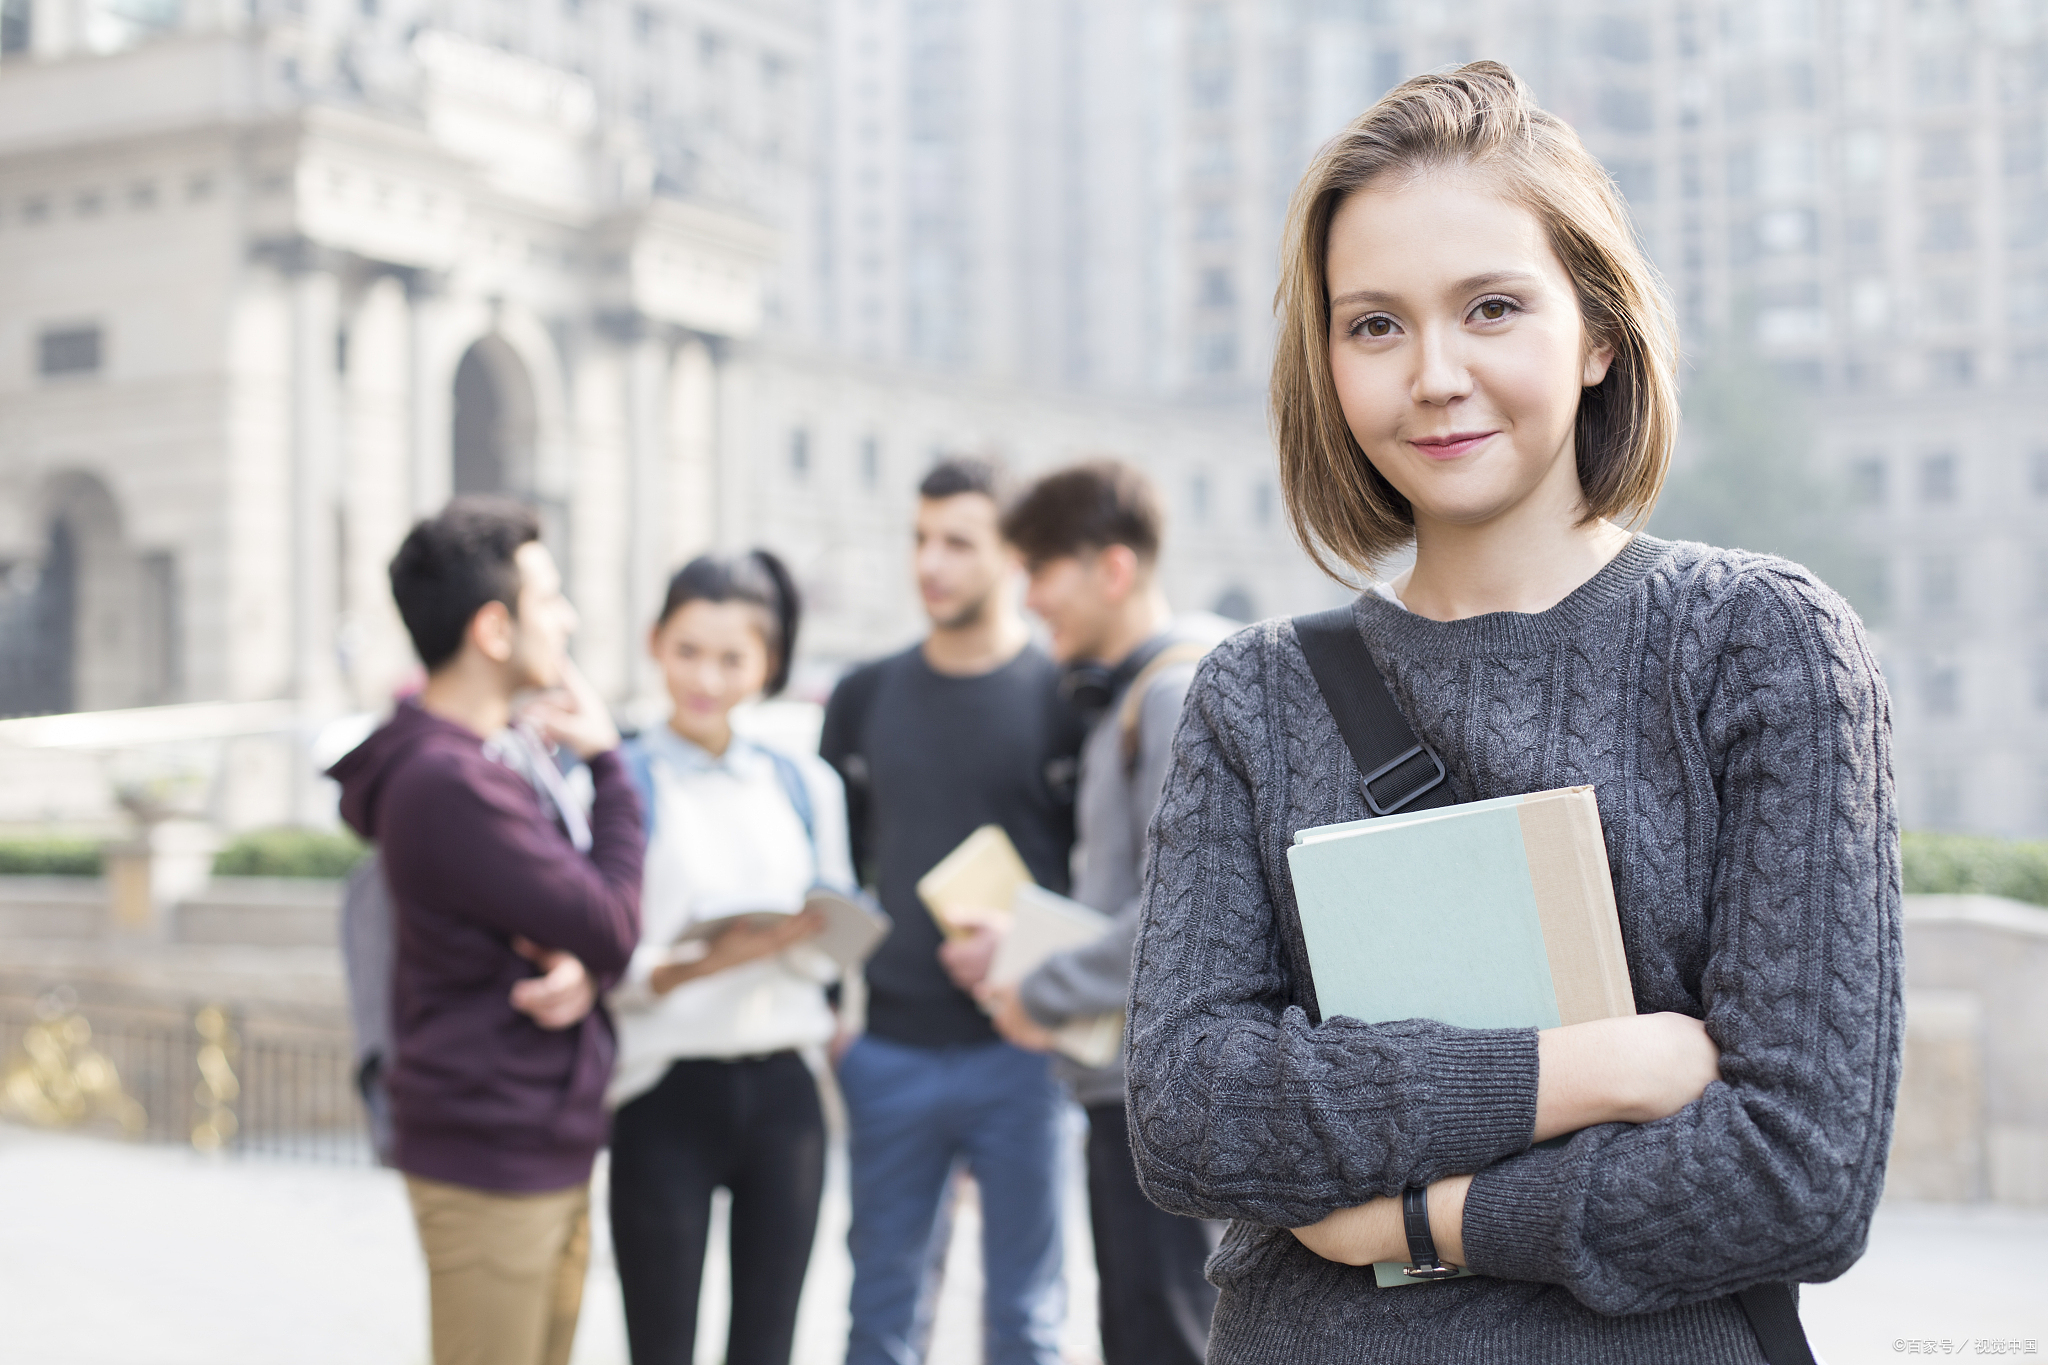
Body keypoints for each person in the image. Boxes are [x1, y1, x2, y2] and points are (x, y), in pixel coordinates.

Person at [1124, 62, 1901, 1363]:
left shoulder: (1763, 646)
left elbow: (1798, 1170)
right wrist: (1591, 1073)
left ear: (1598, 333)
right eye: (1373, 324)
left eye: (1491, 307)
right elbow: (1191, 1112)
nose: (1434, 374)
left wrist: (1418, 1221)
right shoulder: (1253, 695)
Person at [329, 496, 643, 1365]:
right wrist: (613, 765)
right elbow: (613, 918)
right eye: (551, 599)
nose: (569, 619)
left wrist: (585, 961)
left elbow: (580, 925)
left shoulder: (500, 754)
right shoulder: (447, 778)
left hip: (537, 1130)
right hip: (488, 1145)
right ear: (494, 628)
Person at [820, 457, 1085, 1365]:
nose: (930, 563)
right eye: (920, 539)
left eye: (958, 543)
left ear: (1012, 555)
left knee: (1027, 1324)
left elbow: (1097, 877)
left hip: (1023, 1052)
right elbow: (838, 867)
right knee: (879, 1318)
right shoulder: (862, 696)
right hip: (886, 1049)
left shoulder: (1062, 698)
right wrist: (835, 1017)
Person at [977, 460, 1228, 1365]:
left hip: (1151, 1091)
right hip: (1129, 1082)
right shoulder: (1142, 689)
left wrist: (1036, 987)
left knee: (1158, 1330)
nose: (1032, 600)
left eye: (1042, 572)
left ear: (1112, 570)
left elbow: (1177, 915)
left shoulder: (1167, 693)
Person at [606, 550, 854, 1365]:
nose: (705, 677)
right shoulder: (619, 782)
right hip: (663, 1089)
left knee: (767, 1347)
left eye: (731, 658)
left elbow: (835, 950)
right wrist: (702, 962)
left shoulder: (803, 782)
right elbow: (607, 958)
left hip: (785, 1090)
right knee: (661, 1345)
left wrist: (806, 939)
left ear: (768, 665)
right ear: (654, 642)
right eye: (687, 651)